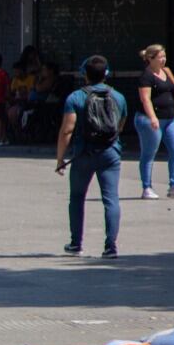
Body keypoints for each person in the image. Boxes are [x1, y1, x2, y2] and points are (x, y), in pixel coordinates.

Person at [55, 55, 125, 258]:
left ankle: (76, 244)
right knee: (111, 199)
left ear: (84, 74)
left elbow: (67, 130)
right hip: (110, 153)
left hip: (83, 153)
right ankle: (111, 247)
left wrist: (60, 159)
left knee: (77, 197)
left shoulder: (75, 97)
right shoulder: (118, 97)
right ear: (106, 74)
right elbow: (120, 124)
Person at [135, 44, 174, 201]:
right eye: (160, 57)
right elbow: (145, 99)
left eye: (164, 56)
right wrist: (152, 117)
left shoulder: (166, 71)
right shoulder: (146, 76)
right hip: (150, 120)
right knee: (149, 153)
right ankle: (147, 187)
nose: (163, 60)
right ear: (150, 59)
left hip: (170, 119)